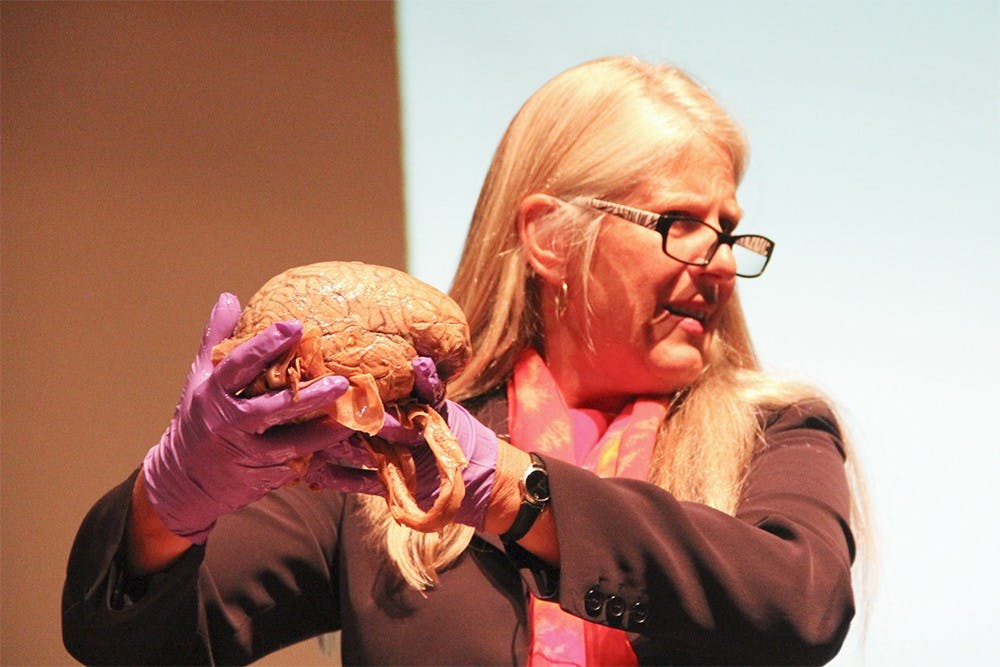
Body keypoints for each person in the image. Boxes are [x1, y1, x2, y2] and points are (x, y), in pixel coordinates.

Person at [62, 56, 863, 666]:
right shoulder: (392, 447)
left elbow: (802, 601)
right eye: (679, 222)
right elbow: (132, 639)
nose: (718, 260)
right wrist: (172, 501)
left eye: (726, 230)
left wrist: (514, 490)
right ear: (551, 237)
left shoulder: (778, 429)